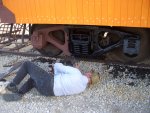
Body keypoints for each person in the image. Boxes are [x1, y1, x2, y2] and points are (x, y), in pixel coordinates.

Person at [3, 60, 100, 101]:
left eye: (89, 72)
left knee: (27, 64)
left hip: (48, 84)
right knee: (33, 78)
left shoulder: (77, 73)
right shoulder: (82, 88)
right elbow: (69, 81)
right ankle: (19, 94)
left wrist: (74, 69)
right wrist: (75, 71)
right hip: (48, 92)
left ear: (90, 75)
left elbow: (58, 66)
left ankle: (12, 85)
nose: (87, 72)